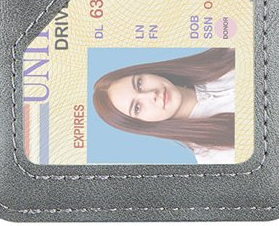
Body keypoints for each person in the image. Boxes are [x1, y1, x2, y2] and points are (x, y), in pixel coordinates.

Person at [92, 48, 235, 163]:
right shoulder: (215, 156)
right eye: (137, 107)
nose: (151, 94)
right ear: (141, 124)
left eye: (139, 84)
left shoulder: (224, 54)